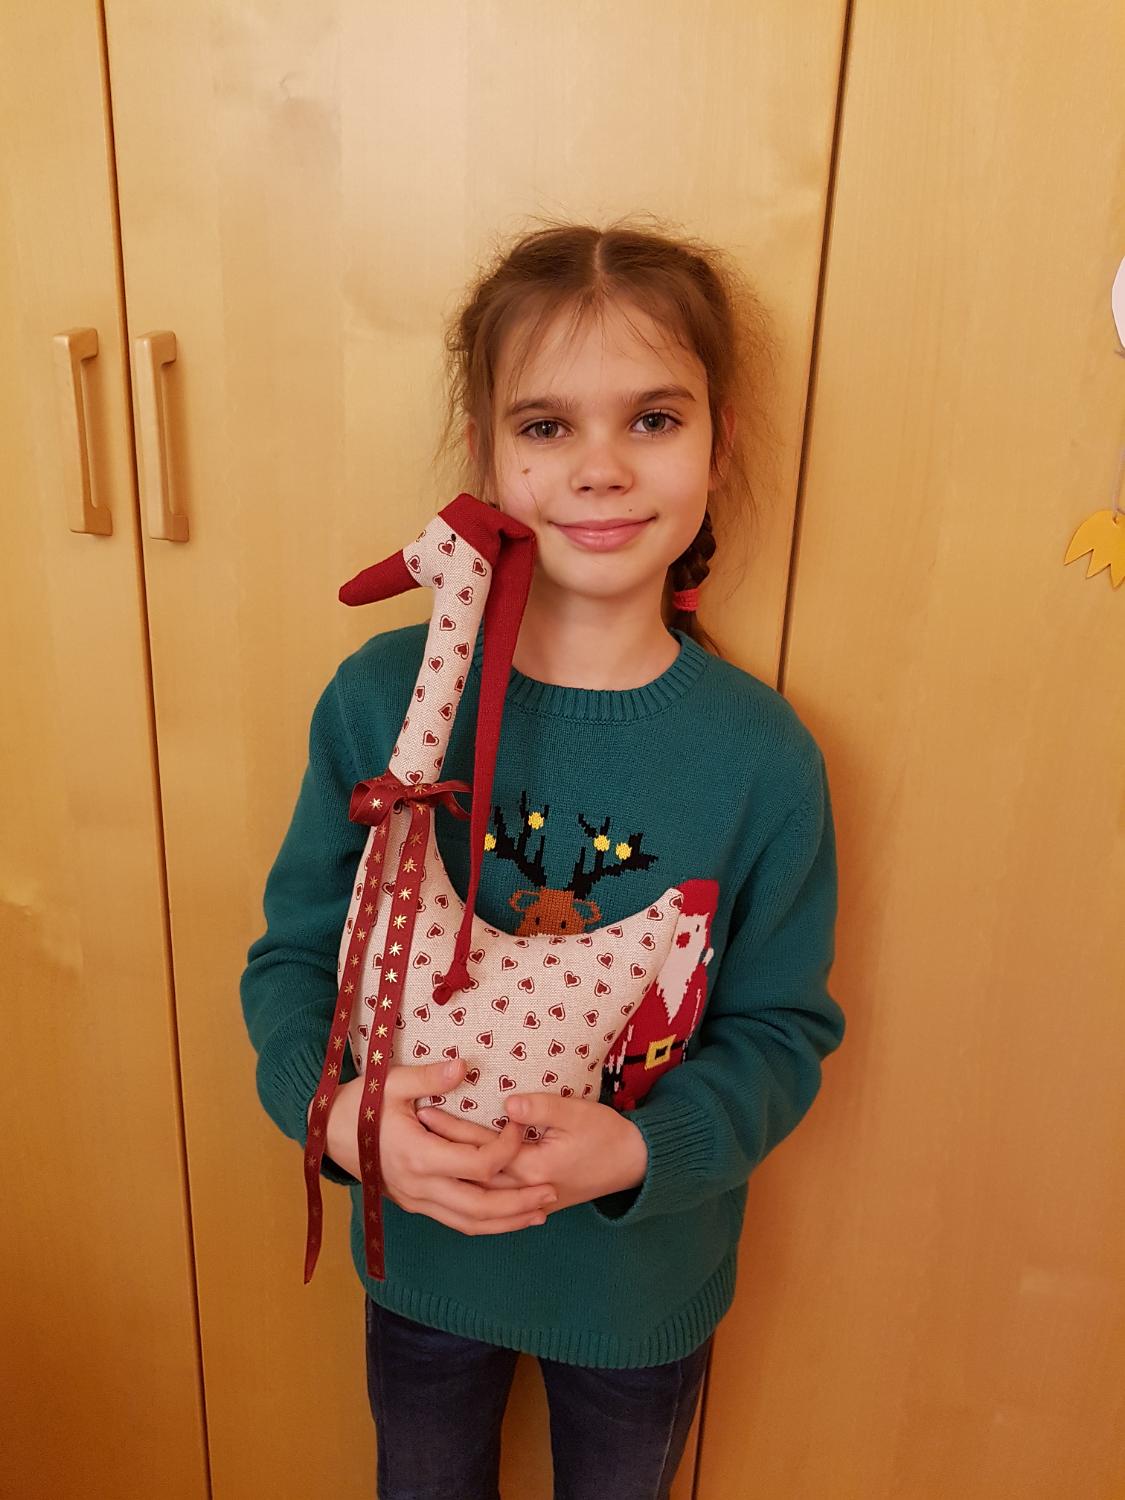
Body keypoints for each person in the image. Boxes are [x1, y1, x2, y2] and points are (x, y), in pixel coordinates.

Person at [240, 216, 846, 1500]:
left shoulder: (764, 758)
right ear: (486, 453)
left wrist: (641, 1153)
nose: (602, 469)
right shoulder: (381, 700)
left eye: (653, 419)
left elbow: (782, 1030)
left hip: (641, 1290)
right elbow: (294, 960)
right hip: (420, 1262)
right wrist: (337, 1119)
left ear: (719, 441)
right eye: (548, 425)